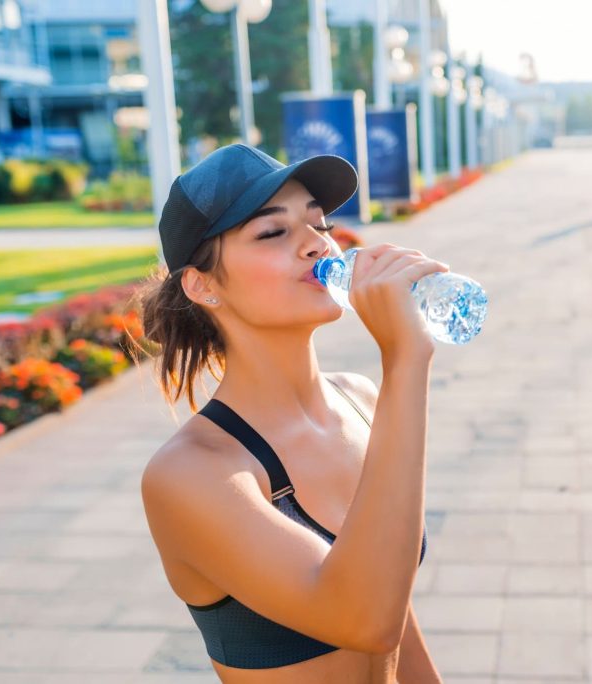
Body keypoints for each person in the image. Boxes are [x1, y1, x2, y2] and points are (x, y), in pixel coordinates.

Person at [130, 143, 445, 683]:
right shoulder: (192, 473)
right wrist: (406, 362)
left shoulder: (363, 401)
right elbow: (366, 620)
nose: (317, 245)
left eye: (318, 222)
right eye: (273, 232)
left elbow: (398, 616)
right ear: (202, 284)